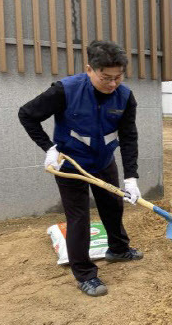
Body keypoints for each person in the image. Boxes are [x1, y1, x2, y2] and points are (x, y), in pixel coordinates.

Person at [19, 40, 143, 297]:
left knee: (112, 205)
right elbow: (27, 114)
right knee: (79, 218)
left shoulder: (125, 96)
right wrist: (49, 148)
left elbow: (129, 136)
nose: (112, 84)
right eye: (105, 77)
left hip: (103, 160)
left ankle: (118, 249)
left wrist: (131, 177)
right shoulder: (65, 90)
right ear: (89, 69)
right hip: (71, 163)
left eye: (118, 77)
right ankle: (85, 274)